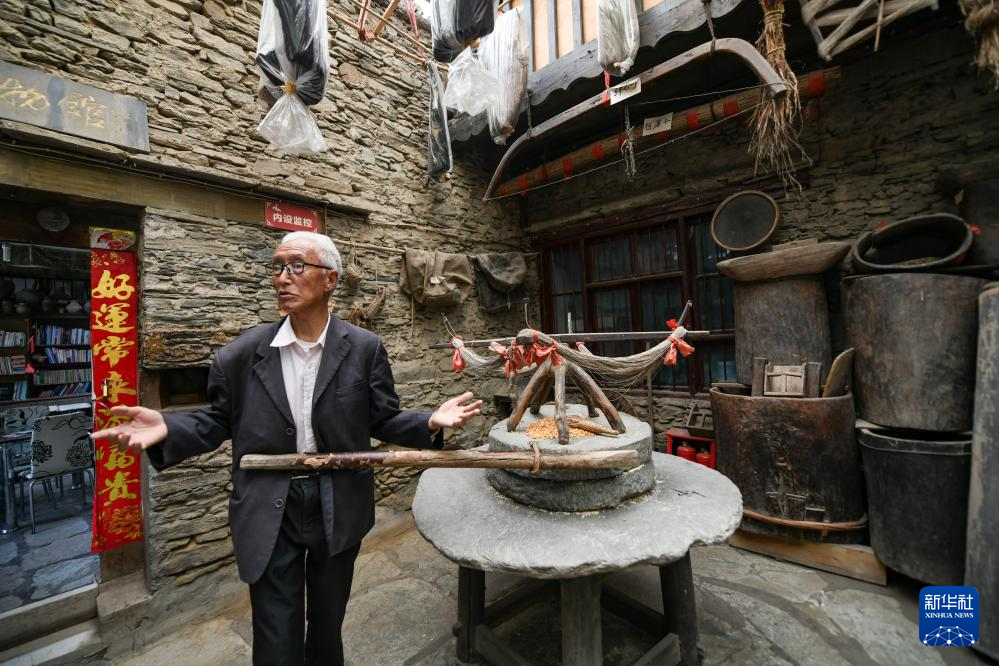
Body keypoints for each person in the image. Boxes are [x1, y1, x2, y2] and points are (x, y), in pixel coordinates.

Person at [91, 231, 481, 665]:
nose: (282, 277)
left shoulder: (364, 349)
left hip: (339, 500)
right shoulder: (240, 355)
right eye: (277, 267)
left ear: (330, 279)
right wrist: (168, 427)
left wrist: (429, 421)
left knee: (328, 624)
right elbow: (218, 420)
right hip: (268, 502)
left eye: (297, 265)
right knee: (276, 633)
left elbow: (382, 418)